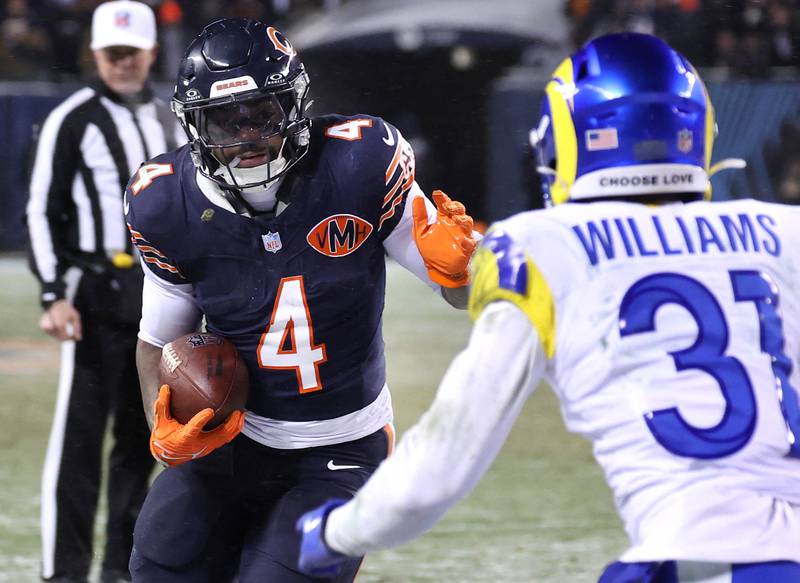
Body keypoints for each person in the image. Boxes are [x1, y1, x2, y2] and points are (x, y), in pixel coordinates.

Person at [296, 32, 800, 583]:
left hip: (700, 558)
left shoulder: (539, 247)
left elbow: (440, 467)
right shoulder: (786, 231)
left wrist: (334, 532)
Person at [123, 17, 477, 583]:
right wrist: (163, 429)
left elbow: (462, 290)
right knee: (160, 563)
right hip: (236, 434)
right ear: (194, 124)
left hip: (341, 447)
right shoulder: (167, 203)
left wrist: (468, 267)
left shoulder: (358, 166)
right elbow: (158, 341)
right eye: (224, 120)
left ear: (295, 106)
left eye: (260, 115)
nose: (245, 138)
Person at [25, 2, 180, 581]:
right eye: (111, 53)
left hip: (159, 294)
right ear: (95, 54)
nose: (121, 62)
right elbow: (41, 210)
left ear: (149, 52)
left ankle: (121, 568)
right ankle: (64, 572)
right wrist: (51, 293)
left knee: (143, 440)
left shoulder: (172, 118)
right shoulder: (73, 118)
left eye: (130, 52)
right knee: (78, 445)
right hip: (93, 292)